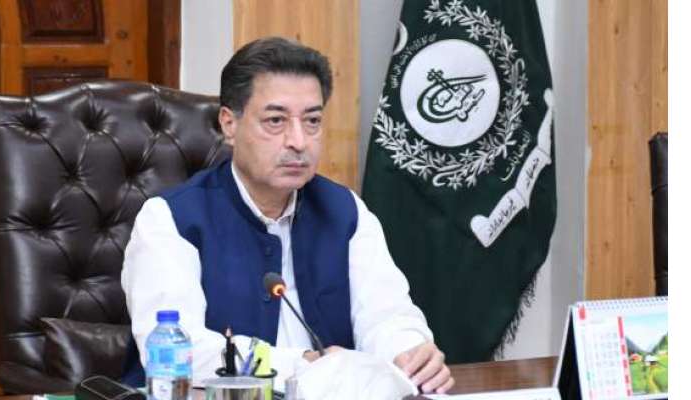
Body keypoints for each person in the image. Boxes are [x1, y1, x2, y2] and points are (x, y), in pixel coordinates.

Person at [121, 36, 454, 394]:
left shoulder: (345, 211)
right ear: (229, 124)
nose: (298, 141)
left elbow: (386, 314)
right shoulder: (170, 219)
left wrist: (409, 353)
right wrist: (303, 366)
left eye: (312, 121)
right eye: (276, 120)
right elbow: (181, 351)